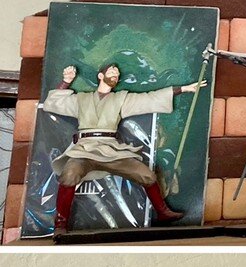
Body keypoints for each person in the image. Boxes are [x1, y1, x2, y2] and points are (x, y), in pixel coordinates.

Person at [41, 61, 208, 233]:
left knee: (147, 175)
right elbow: (53, 103)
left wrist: (182, 89)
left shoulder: (121, 99)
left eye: (117, 73)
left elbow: (150, 98)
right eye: (111, 71)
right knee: (69, 174)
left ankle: (163, 212)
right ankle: (60, 224)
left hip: (111, 150)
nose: (116, 73)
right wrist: (66, 81)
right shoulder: (81, 99)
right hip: (84, 150)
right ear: (100, 75)